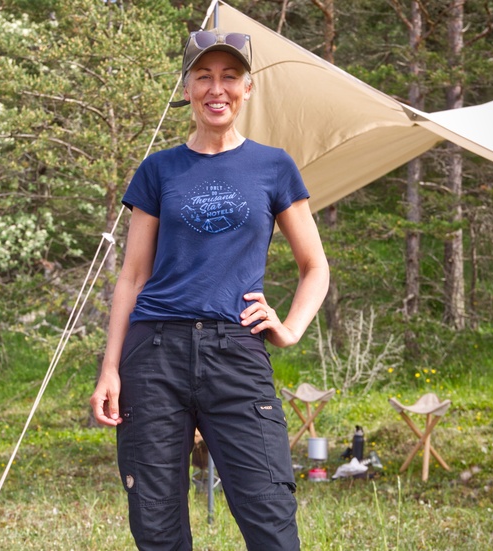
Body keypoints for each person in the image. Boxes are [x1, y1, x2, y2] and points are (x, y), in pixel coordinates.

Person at [90, 28, 330, 551]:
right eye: (203, 76)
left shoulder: (273, 166)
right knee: (155, 524)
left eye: (229, 77)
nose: (215, 88)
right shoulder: (159, 169)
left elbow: (316, 266)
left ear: (248, 89)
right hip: (153, 355)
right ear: (187, 88)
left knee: (270, 515)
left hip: (236, 352)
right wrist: (110, 368)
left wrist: (289, 330)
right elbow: (132, 276)